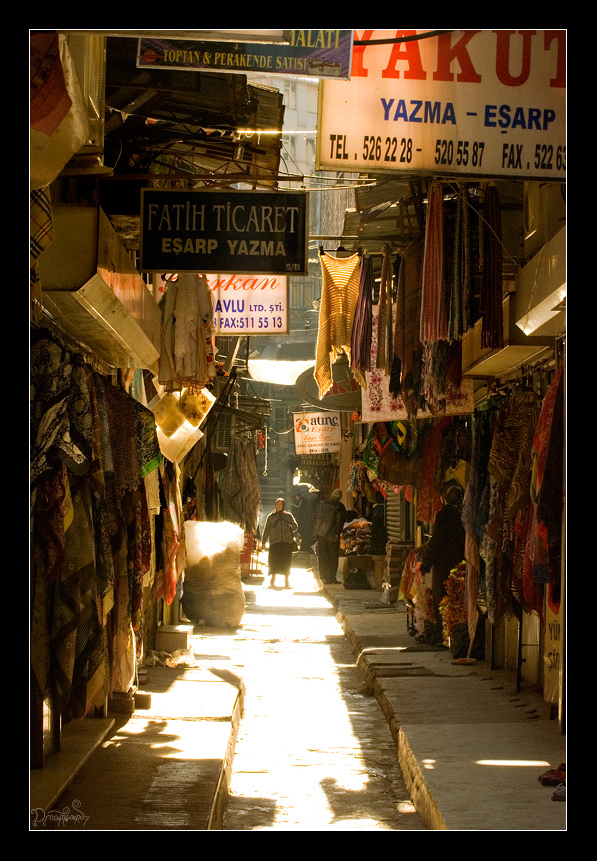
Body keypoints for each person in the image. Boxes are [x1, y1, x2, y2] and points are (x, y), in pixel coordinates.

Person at [419, 482, 466, 644]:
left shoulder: (444, 514)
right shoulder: (465, 512)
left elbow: (437, 542)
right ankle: (456, 635)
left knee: (443, 599)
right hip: (464, 564)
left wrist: (425, 565)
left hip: (445, 565)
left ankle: (445, 636)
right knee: (459, 600)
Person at [262, 498, 299, 588]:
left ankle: (286, 581)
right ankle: (272, 580)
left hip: (286, 542)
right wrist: (263, 542)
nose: (278, 506)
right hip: (275, 542)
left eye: (280, 505)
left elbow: (295, 527)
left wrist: (291, 525)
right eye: (277, 505)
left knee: (286, 562)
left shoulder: (288, 516)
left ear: (283, 506)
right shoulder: (271, 516)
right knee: (274, 561)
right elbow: (266, 530)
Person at [313, 489, 346, 584]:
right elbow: (340, 522)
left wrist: (316, 531)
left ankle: (323, 577)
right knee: (332, 557)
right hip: (332, 535)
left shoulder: (321, 503)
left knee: (322, 556)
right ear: (340, 497)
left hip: (321, 534)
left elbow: (315, 517)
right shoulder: (340, 507)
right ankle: (331, 578)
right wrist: (337, 533)